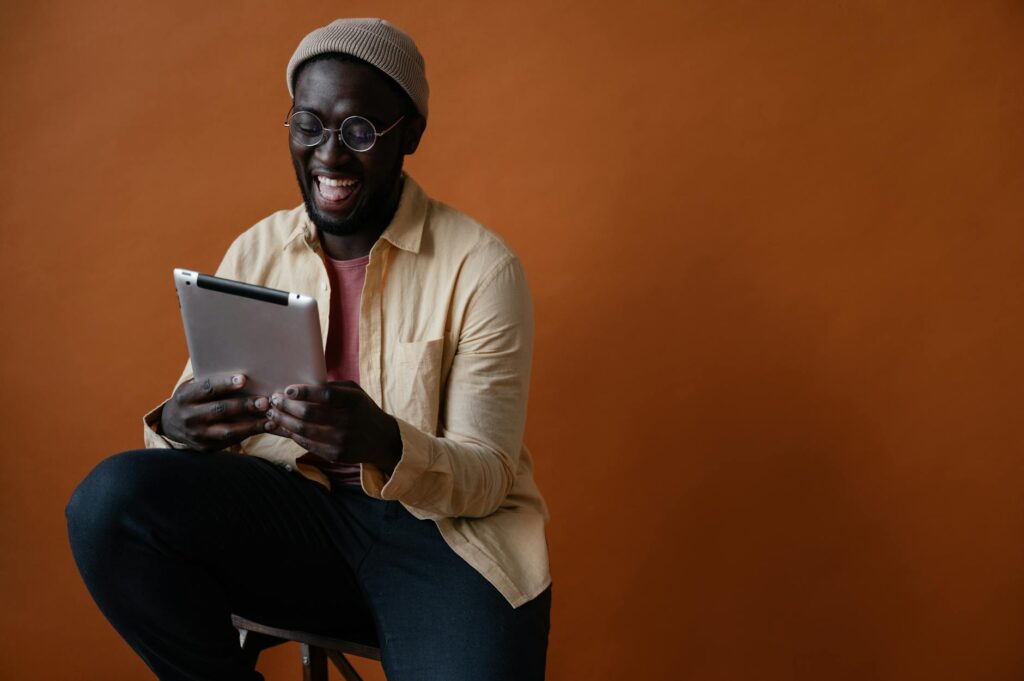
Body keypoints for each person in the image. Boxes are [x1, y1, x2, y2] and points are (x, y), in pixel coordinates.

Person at [66, 18, 551, 681]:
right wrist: (177, 429)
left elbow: (488, 477)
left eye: (359, 131)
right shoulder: (257, 251)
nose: (330, 155)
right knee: (109, 501)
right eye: (308, 125)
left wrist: (384, 441)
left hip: (442, 542)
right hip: (298, 528)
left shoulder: (481, 268)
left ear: (408, 134)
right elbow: (193, 433)